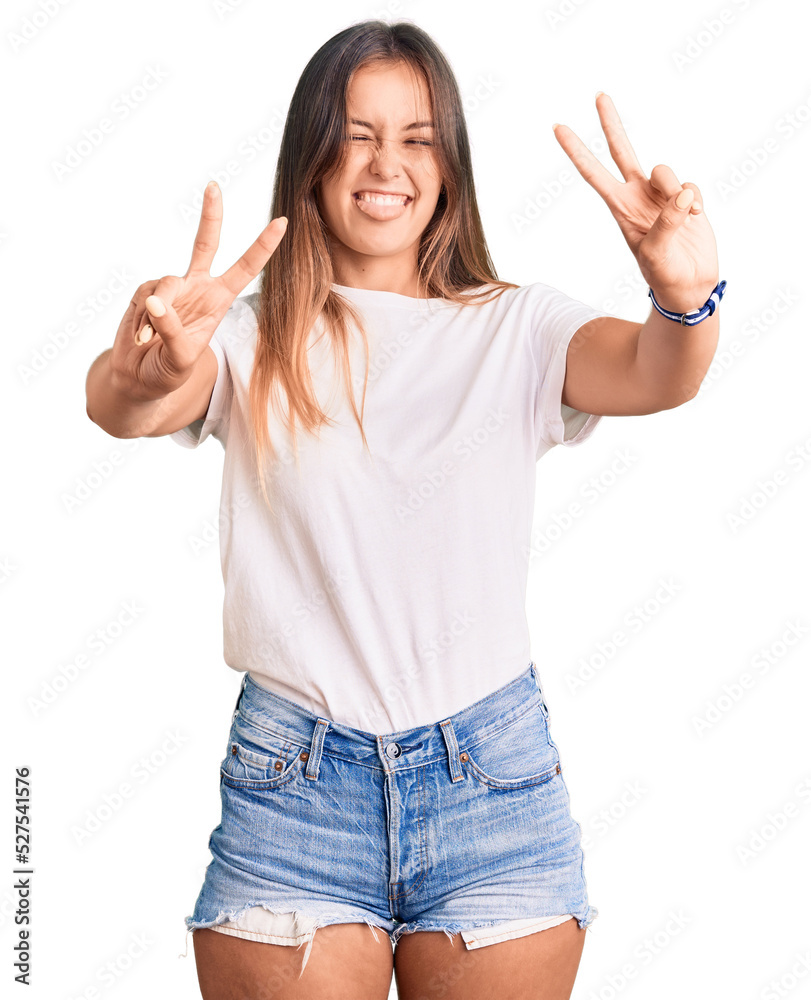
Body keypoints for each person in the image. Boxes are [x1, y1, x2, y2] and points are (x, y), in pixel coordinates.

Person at [84, 18, 723, 1000]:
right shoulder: (246, 338)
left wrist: (685, 297)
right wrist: (144, 370)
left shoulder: (518, 327)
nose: (387, 163)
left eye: (417, 138)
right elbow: (126, 405)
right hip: (293, 790)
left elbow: (656, 373)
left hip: (492, 786)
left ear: (449, 165)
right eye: (357, 134)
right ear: (310, 156)